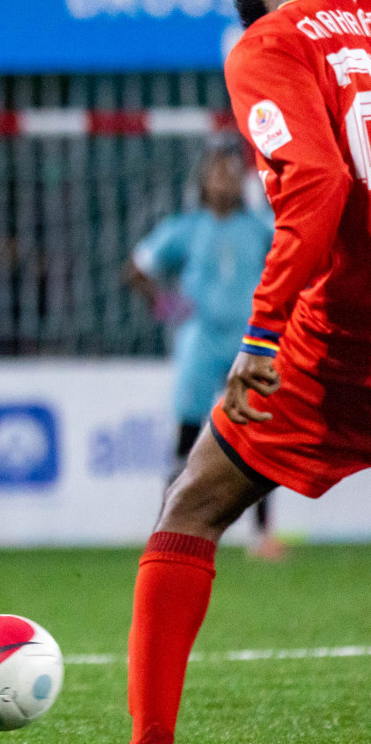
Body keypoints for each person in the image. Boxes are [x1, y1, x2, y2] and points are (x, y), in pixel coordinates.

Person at [123, 0, 370, 744]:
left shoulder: (270, 41)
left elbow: (317, 181)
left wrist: (261, 333)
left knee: (190, 508)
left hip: (345, 337)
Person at [125, 145, 282, 559]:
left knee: (257, 435)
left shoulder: (262, 229)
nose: (224, 181)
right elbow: (137, 269)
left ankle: (261, 535)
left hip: (250, 341)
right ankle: (166, 529)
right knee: (188, 435)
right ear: (202, 182)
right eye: (216, 174)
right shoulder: (185, 229)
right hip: (201, 338)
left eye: (230, 174)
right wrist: (167, 306)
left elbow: (293, 264)